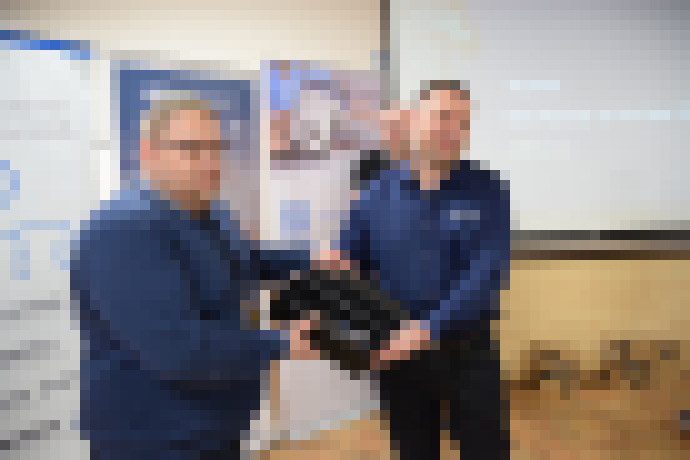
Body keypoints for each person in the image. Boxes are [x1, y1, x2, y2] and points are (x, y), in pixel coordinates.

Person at [71, 100, 311, 459]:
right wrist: (282, 343)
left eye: (216, 148)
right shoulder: (123, 229)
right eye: (191, 148)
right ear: (148, 153)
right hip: (154, 436)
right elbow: (180, 350)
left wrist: (312, 261)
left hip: (215, 423)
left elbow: (242, 262)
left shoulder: (209, 210)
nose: (210, 162)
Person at [333, 80, 512, 459]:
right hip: (399, 352)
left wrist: (426, 329)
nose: (452, 130)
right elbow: (349, 266)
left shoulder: (489, 190)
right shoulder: (374, 195)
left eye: (462, 122)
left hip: (468, 350)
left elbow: (486, 273)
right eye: (442, 117)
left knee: (486, 449)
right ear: (415, 120)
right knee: (414, 449)